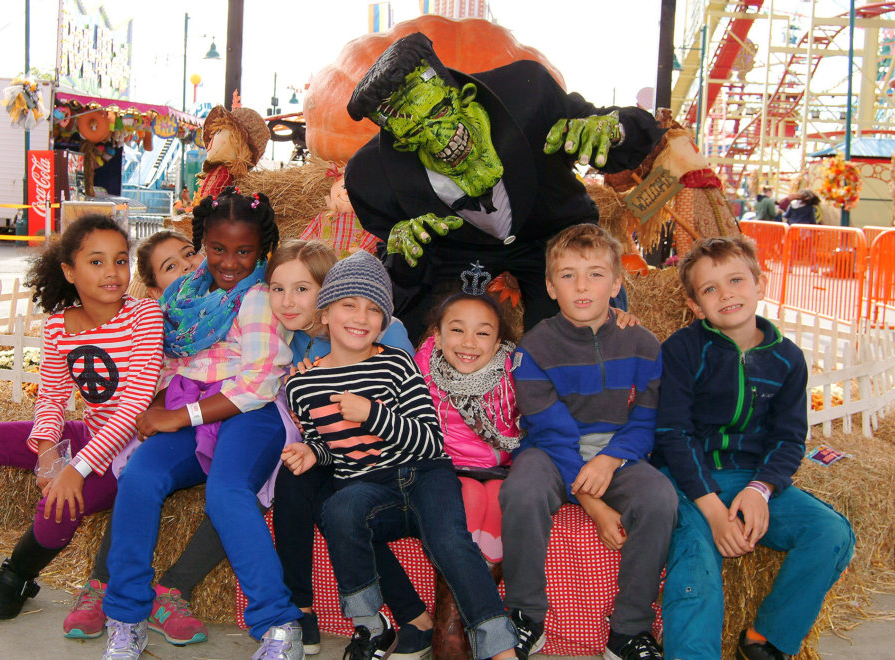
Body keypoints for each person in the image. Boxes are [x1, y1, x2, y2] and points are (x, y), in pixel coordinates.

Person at [0, 215, 164, 625]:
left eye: (120, 260)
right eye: (96, 261)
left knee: (61, 500)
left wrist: (75, 469)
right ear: (69, 271)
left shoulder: (144, 316)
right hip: (91, 433)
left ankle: (17, 576)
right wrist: (48, 452)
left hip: (131, 453)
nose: (112, 271)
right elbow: (52, 398)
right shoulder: (58, 326)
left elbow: (134, 406)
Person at [344, 32, 664, 341]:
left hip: (549, 229)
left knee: (576, 327)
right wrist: (403, 253)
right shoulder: (370, 181)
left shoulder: (529, 95)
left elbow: (623, 130)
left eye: (440, 113)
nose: (439, 138)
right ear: (402, 144)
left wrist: (614, 131)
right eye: (416, 132)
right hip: (458, 250)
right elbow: (400, 277)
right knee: (414, 329)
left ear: (465, 96)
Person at [282, 251, 518, 660]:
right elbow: (333, 447)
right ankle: (371, 627)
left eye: (374, 309)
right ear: (325, 313)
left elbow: (429, 440)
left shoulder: (397, 364)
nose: (361, 317)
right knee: (338, 509)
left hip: (424, 475)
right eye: (348, 305)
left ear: (385, 321)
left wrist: (373, 414)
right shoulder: (303, 385)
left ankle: (501, 648)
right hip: (370, 487)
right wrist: (312, 453)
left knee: (451, 543)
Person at [100, 189, 305, 660]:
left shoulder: (258, 297)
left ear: (263, 250)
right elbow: (174, 361)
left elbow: (257, 385)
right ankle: (126, 616)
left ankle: (278, 624)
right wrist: (153, 405)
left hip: (248, 413)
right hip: (189, 406)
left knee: (227, 492)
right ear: (202, 245)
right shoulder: (185, 294)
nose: (229, 262)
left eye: (244, 251)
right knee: (140, 476)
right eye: (217, 249)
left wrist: (178, 416)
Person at [654, 236, 855, 660]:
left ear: (759, 284)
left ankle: (766, 639)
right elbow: (673, 434)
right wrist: (713, 511)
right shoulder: (682, 350)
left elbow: (788, 438)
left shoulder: (788, 359)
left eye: (736, 280)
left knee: (831, 532)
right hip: (688, 483)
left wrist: (761, 488)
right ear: (695, 305)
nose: (726, 294)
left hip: (750, 478)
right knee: (696, 563)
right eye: (710, 289)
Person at [501, 224, 676, 660]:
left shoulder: (643, 344)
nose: (582, 286)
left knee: (659, 498)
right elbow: (550, 430)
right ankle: (525, 615)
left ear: (616, 284)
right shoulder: (534, 348)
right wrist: (592, 501)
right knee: (522, 490)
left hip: (619, 451)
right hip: (551, 450)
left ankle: (629, 629)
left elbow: (646, 419)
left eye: (595, 274)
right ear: (550, 286)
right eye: (568, 275)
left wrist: (611, 459)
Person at [267, 240, 434, 658]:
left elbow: (403, 400)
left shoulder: (378, 329)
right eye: (277, 289)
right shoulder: (289, 338)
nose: (288, 302)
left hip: (382, 450)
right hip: (330, 447)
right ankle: (299, 607)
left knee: (335, 504)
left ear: (327, 294)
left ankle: (413, 614)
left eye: (302, 289)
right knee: (294, 478)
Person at [62, 230, 217, 646]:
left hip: (228, 418)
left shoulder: (237, 300)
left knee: (245, 484)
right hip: (174, 424)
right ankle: (103, 583)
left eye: (189, 254)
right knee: (140, 471)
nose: (187, 266)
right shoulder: (158, 322)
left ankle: (173, 589)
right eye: (171, 267)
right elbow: (146, 392)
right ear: (155, 291)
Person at [413, 283, 521, 655]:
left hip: (498, 468)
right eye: (457, 329)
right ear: (437, 335)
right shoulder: (424, 366)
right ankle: (452, 619)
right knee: (469, 497)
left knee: (502, 497)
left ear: (499, 341)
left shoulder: (512, 371)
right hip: (447, 468)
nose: (469, 342)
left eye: (483, 333)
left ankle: (468, 615)